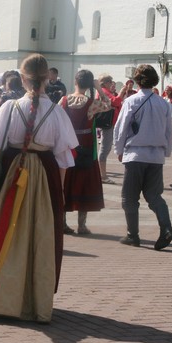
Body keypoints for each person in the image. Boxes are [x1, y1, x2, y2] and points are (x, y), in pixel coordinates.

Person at [0, 54, 78, 323]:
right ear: (47, 78)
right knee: (39, 237)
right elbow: (64, 159)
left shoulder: (10, 108)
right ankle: (33, 299)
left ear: (23, 79)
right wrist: (57, 194)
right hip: (45, 177)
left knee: (1, 229)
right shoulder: (57, 113)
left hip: (12, 173)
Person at [113, 64, 172, 249]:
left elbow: (121, 128)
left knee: (129, 198)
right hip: (156, 156)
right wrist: (167, 151)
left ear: (137, 81)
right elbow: (169, 130)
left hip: (135, 154)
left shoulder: (131, 101)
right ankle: (166, 228)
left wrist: (119, 150)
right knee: (154, 196)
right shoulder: (163, 103)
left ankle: (133, 235)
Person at [60, 69, 111, 234]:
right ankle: (81, 225)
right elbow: (108, 104)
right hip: (86, 146)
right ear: (89, 85)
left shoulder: (64, 100)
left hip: (68, 146)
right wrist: (99, 88)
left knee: (65, 182)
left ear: (75, 82)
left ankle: (62, 222)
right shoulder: (91, 103)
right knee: (84, 183)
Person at [97, 75, 131, 184]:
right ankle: (102, 175)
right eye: (110, 81)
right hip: (107, 123)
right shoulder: (104, 91)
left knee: (106, 148)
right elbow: (115, 102)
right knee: (105, 148)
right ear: (105, 82)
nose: (111, 83)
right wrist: (121, 93)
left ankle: (102, 174)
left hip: (110, 122)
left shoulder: (105, 91)